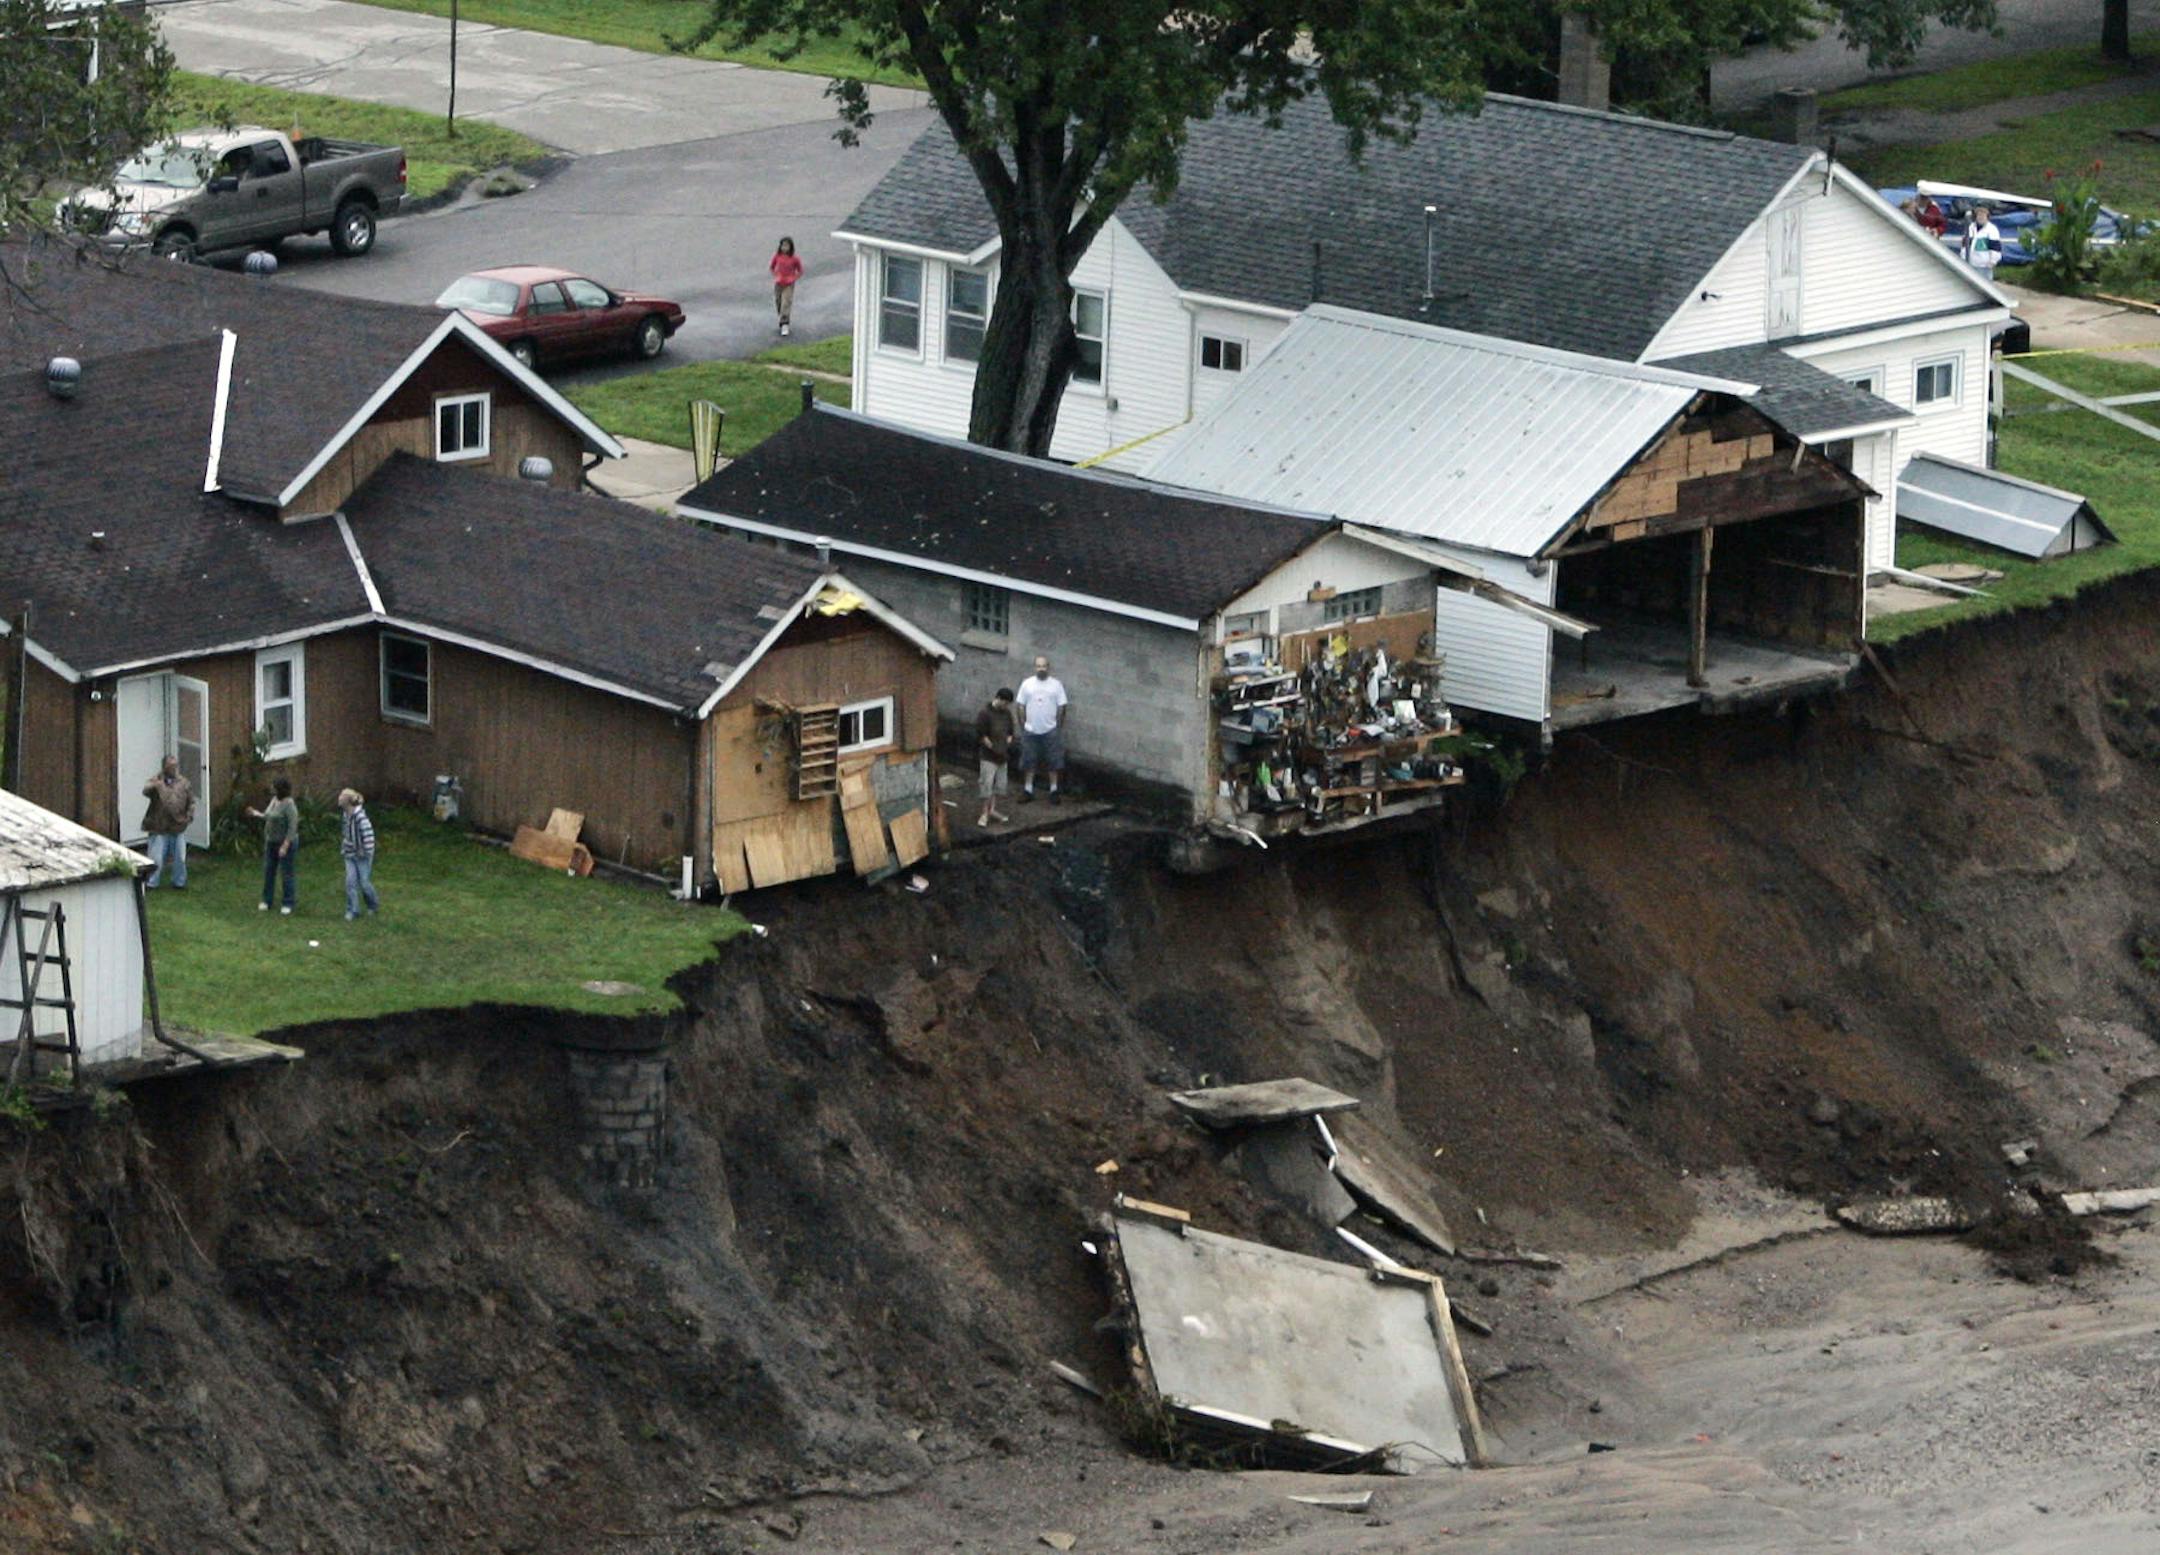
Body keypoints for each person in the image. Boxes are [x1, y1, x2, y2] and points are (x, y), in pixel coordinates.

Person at [1014, 656, 1069, 805]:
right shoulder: (1027, 684)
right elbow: (1020, 705)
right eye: (1038, 666)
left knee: (1053, 761)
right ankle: (1028, 789)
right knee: (1029, 761)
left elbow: (1062, 706)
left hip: (1050, 730)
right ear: (1034, 667)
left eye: (1043, 666)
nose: (1041, 669)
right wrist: (1023, 725)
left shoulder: (1056, 685)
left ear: (1048, 667)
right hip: (1030, 731)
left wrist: (1058, 727)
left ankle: (1054, 790)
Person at [246, 778, 299, 915]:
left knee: (286, 873)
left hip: (285, 842)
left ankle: (288, 902)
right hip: (271, 842)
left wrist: (285, 846)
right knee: (269, 871)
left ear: (281, 789)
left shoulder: (289, 805)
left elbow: (292, 828)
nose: (272, 789)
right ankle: (266, 900)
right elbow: (268, 816)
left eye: (274, 787)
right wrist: (255, 813)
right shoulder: (274, 800)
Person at [140, 755, 194, 889]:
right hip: (159, 826)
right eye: (170, 766)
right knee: (156, 858)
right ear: (164, 767)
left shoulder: (184, 783)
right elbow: (145, 791)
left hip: (178, 826)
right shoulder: (157, 781)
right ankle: (151, 882)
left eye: (175, 765)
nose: (173, 768)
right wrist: (157, 784)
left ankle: (179, 882)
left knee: (180, 858)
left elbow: (191, 801)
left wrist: (189, 816)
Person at [975, 688, 1016, 827]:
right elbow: (981, 735)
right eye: (1004, 703)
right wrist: (993, 747)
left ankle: (992, 810)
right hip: (988, 756)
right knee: (987, 785)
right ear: (998, 698)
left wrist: (1008, 742)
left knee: (999, 785)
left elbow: (1010, 731)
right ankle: (984, 813)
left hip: (1002, 755)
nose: (1006, 706)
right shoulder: (985, 713)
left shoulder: (1007, 714)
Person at [338, 788, 379, 921]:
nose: (339, 798)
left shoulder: (361, 818)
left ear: (348, 801)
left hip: (363, 856)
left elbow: (369, 837)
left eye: (341, 796)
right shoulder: (345, 815)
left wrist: (365, 851)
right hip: (350, 854)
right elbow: (346, 833)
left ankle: (373, 905)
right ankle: (352, 910)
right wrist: (345, 846)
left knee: (364, 883)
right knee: (350, 882)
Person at [770, 236, 803, 338]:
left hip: (788, 284)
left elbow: (800, 270)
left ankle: (785, 323)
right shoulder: (777, 257)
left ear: (790, 247)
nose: (785, 248)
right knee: (778, 301)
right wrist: (776, 275)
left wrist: (794, 278)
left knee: (786, 303)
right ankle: (782, 317)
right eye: (783, 245)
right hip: (779, 283)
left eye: (787, 246)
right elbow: (772, 267)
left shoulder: (794, 259)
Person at [1962, 204, 2002, 277]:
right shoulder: (1970, 227)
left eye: (1983, 215)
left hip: (1985, 266)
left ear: (1987, 217)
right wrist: (1963, 257)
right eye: (1979, 215)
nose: (1981, 217)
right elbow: (1965, 244)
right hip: (1971, 263)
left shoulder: (1992, 229)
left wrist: (1993, 261)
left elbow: (1995, 247)